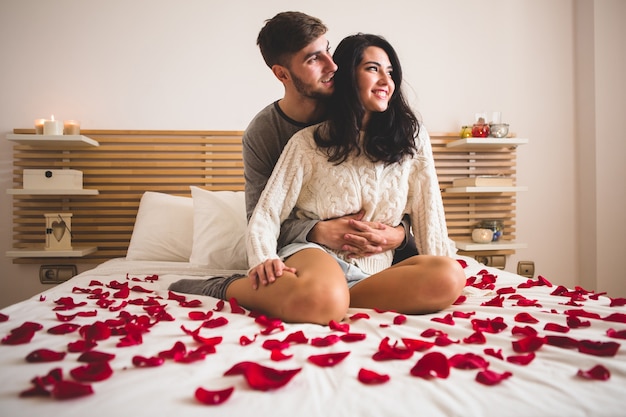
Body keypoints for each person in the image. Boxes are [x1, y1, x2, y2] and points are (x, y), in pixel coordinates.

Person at [223, 33, 465, 325]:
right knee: (325, 296)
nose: (386, 81)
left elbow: (429, 212)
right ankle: (227, 286)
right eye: (373, 69)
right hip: (313, 254)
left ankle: (334, 299)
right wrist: (262, 259)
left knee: (450, 275)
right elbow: (266, 213)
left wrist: (432, 261)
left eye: (390, 72)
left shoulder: (412, 138)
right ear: (349, 75)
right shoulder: (307, 142)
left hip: (377, 269)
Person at [242, 11, 416, 263]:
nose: (332, 65)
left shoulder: (364, 106)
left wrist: (400, 234)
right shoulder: (264, 134)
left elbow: (402, 193)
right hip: (311, 258)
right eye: (314, 59)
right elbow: (260, 219)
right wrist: (316, 231)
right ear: (282, 74)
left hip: (381, 255)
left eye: (328, 50)